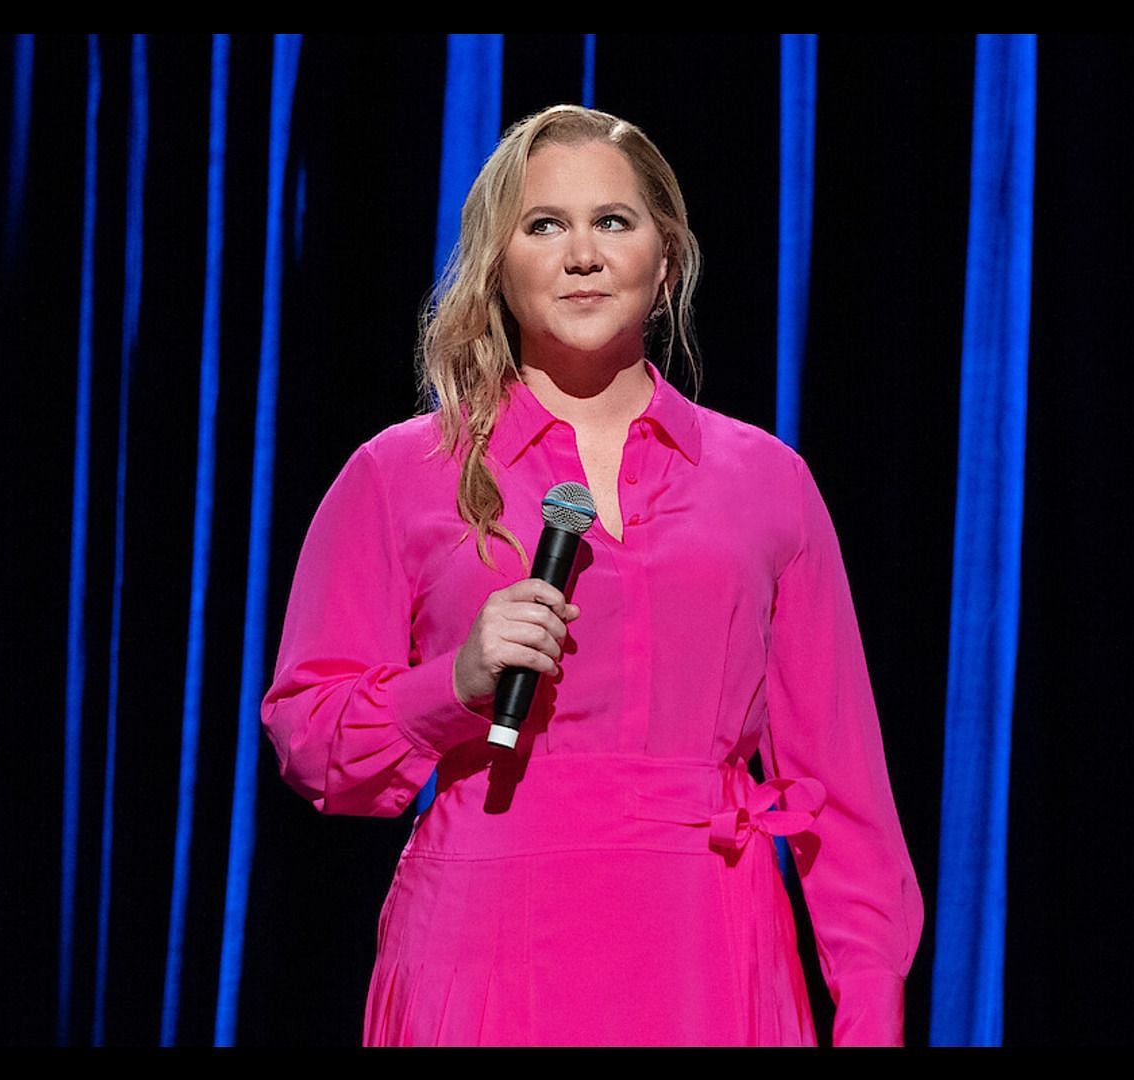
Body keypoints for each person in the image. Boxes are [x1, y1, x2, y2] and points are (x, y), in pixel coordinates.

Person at [261, 104, 923, 1046]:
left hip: (709, 954)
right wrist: (450, 685)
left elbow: (846, 800)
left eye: (613, 221)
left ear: (667, 258)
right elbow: (309, 738)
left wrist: (868, 1018)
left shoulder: (767, 483)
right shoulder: (400, 472)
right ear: (499, 264)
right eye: (545, 225)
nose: (582, 254)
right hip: (483, 954)